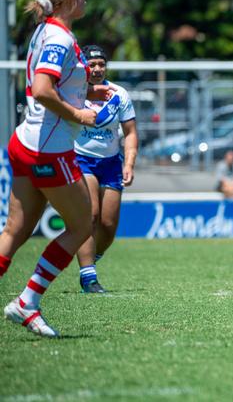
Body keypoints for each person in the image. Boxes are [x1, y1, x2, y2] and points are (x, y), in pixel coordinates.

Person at [0, 0, 111, 337]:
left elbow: (51, 84)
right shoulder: (58, 38)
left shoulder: (52, 31)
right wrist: (80, 113)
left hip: (26, 143)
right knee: (82, 224)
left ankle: (26, 305)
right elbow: (44, 90)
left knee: (14, 232)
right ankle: (27, 303)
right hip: (48, 150)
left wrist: (85, 94)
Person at [74, 45, 138, 293]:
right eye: (92, 64)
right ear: (83, 67)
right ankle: (88, 276)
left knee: (109, 225)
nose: (97, 69)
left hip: (111, 163)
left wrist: (129, 163)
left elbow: (131, 133)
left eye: (101, 64)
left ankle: (90, 259)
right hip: (81, 159)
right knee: (90, 215)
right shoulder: (73, 93)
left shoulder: (119, 94)